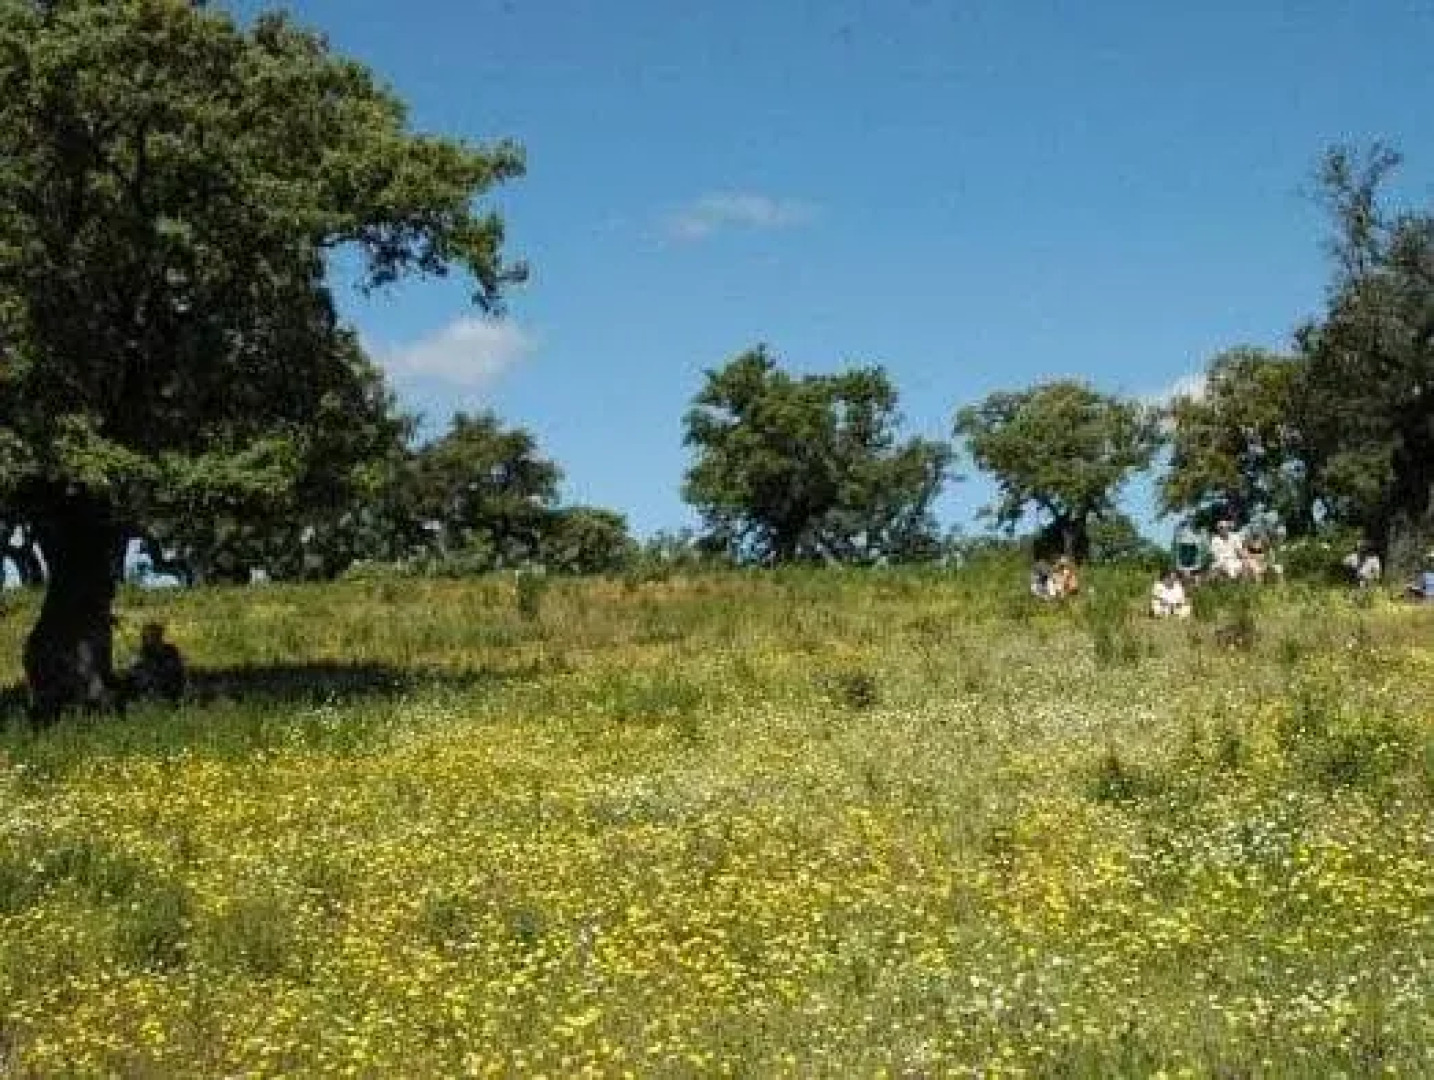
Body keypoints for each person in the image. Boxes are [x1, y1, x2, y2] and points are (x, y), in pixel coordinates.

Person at [126, 622, 185, 704]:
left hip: (169, 684)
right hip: (149, 688)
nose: (155, 639)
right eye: (151, 636)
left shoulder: (170, 650)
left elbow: (177, 668)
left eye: (157, 635)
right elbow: (133, 673)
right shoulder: (141, 654)